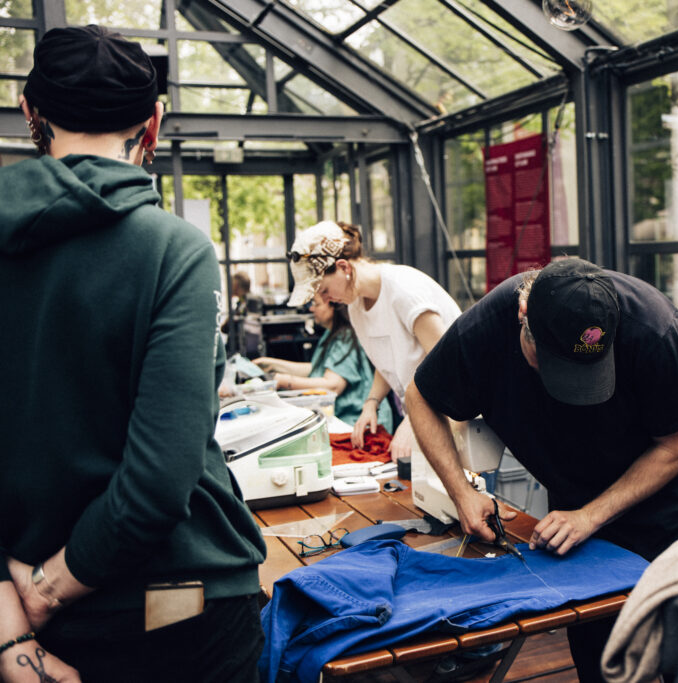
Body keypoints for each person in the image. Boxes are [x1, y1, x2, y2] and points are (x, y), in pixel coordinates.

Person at [0, 25, 266, 683]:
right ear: (154, 122)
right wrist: (48, 586)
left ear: (31, 112)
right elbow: (159, 479)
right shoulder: (173, 249)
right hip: (180, 607)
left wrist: (10, 621)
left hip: (34, 630)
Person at [405, 257, 678, 681]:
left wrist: (590, 515)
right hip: (577, 507)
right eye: (559, 368)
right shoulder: (490, 325)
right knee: (603, 664)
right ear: (524, 320)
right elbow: (420, 397)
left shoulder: (653, 327)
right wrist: (462, 493)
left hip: (671, 507)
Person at [285, 220, 461, 461]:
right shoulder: (356, 306)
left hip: (459, 412)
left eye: (324, 290)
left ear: (343, 266)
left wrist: (415, 421)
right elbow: (387, 359)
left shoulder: (404, 290)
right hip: (429, 413)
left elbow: (447, 364)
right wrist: (371, 403)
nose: (325, 300)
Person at [253, 291, 394, 431]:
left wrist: (282, 380)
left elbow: (332, 385)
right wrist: (272, 364)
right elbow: (319, 369)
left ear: (333, 306)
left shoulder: (345, 337)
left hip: (360, 422)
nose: (311, 308)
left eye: (316, 304)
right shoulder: (332, 333)